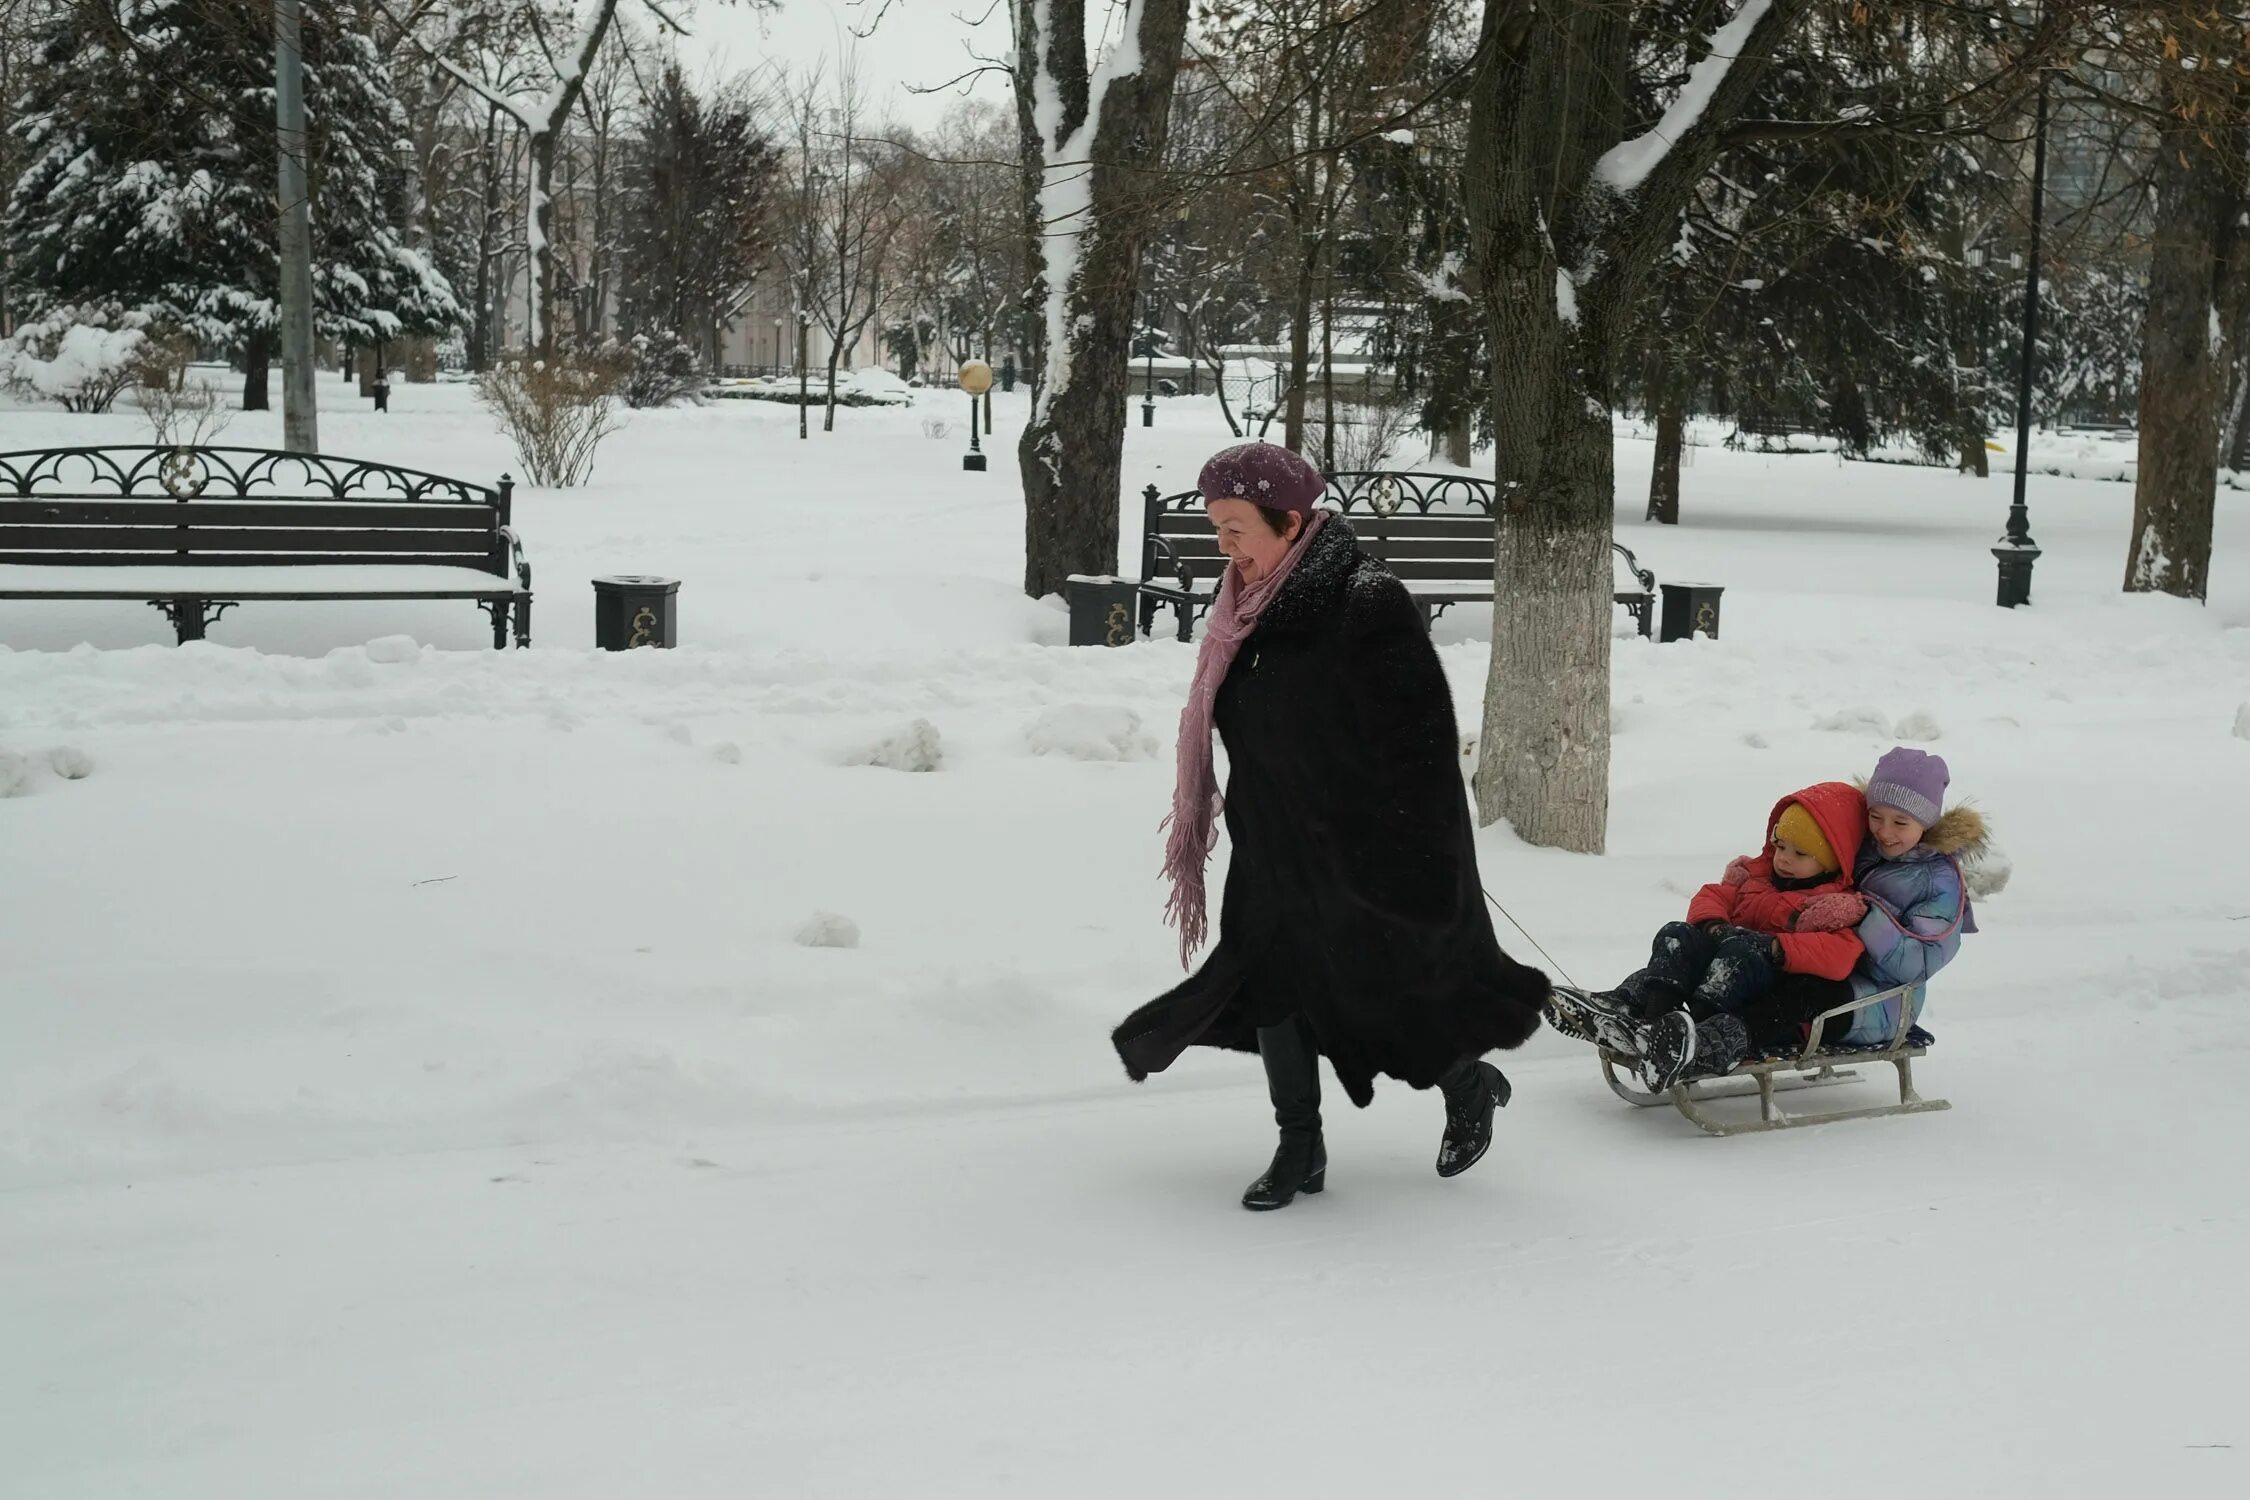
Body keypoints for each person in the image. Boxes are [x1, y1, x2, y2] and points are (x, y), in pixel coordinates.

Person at [1110, 441, 1549, 1211]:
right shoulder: (1242, 609)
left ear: (1290, 522)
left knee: (1382, 988)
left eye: (1237, 527)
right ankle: (1299, 1147)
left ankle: (1468, 1082)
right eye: (1217, 527)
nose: (1225, 546)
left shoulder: (1363, 602)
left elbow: (1420, 744)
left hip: (1361, 848)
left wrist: (1406, 853)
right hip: (1272, 845)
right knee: (1275, 984)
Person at [1547, 781, 1870, 1089]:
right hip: (1725, 959)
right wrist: (1715, 926)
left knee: (1738, 954)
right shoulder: (1756, 879)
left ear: (1832, 859)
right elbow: (1712, 896)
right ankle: (1641, 1014)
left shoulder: (1829, 907)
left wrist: (1775, 946)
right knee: (1677, 935)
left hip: (1762, 984)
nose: (1784, 858)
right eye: (1780, 846)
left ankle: (1693, 1035)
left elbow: (1840, 955)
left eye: (1800, 854)